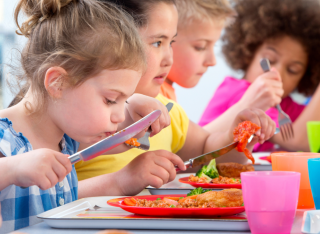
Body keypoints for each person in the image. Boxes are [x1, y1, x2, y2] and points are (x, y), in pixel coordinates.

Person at [0, 0, 185, 232]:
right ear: (58, 83)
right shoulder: (5, 140)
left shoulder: (66, 140)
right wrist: (11, 170)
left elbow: (118, 139)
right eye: (110, 100)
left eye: (123, 99)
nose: (118, 116)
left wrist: (133, 110)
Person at [75, 0, 276, 182]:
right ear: (114, 43)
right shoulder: (83, 116)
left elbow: (208, 154)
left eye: (170, 43)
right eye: (157, 43)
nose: (169, 58)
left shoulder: (168, 110)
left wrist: (239, 136)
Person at [199, 0, 320, 152]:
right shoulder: (240, 91)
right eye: (269, 60)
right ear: (248, 53)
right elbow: (298, 141)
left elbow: (313, 131)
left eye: (293, 70)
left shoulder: (286, 106)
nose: (277, 73)